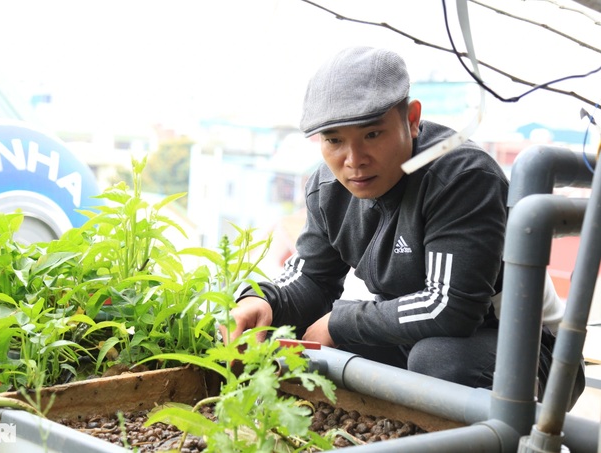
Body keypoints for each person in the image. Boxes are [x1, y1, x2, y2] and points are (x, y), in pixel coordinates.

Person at [220, 46, 585, 408]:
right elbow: (312, 278)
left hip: (531, 351)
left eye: (372, 134)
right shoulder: (328, 189)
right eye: (334, 140)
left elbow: (451, 308)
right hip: (418, 338)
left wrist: (338, 323)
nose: (354, 161)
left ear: (411, 118)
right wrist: (260, 300)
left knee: (438, 361)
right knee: (284, 333)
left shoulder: (460, 177)